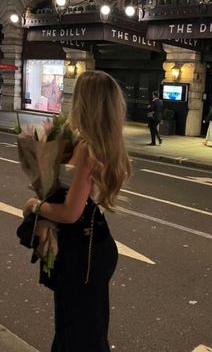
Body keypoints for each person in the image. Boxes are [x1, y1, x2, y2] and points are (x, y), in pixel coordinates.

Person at [23, 70, 131, 352]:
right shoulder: (105, 144)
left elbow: (71, 213)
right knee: (87, 327)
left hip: (83, 250)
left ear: (86, 102)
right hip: (96, 243)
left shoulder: (87, 148)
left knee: (77, 333)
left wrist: (36, 206)